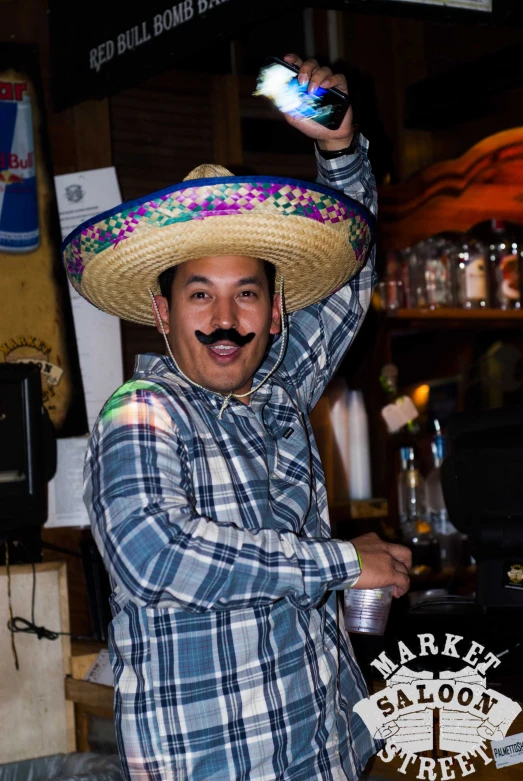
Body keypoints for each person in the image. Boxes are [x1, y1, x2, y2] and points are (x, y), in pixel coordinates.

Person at [64, 53, 412, 781]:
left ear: (275, 308)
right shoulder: (142, 413)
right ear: (161, 311)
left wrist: (339, 148)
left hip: (327, 754)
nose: (226, 319)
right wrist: (343, 561)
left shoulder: (279, 384)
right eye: (199, 295)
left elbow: (349, 284)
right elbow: (159, 556)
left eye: (246, 293)